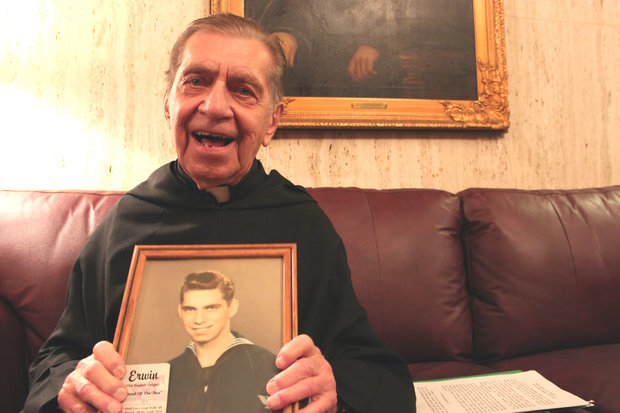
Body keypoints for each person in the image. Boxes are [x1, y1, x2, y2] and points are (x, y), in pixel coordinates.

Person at [24, 13, 415, 413]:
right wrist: (73, 386)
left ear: (272, 122)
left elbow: (375, 371)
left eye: (243, 90)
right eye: (196, 81)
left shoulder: (304, 223)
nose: (214, 105)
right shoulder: (124, 223)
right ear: (167, 102)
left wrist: (333, 384)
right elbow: (58, 358)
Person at [167, 271, 279, 413]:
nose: (199, 319)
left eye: (211, 308)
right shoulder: (168, 373)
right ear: (180, 311)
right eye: (190, 309)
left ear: (232, 308)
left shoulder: (266, 366)